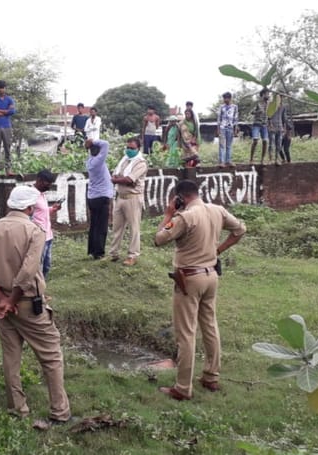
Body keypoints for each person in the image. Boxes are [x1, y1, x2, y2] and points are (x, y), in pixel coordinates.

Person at [0, 185, 71, 425]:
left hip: (4, 306)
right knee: (51, 356)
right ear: (29, 207)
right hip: (27, 304)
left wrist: (2, 299)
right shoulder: (34, 231)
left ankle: (18, 409)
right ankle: (59, 412)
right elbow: (28, 272)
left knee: (11, 357)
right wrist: (12, 300)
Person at [154, 179, 246, 400]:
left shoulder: (185, 217)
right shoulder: (217, 210)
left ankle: (182, 388)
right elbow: (240, 230)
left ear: (180, 197)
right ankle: (211, 376)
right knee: (210, 326)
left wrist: (168, 214)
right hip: (211, 276)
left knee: (186, 333)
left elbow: (159, 239)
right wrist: (217, 250)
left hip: (189, 279)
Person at [108, 137, 148, 266]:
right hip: (120, 197)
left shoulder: (141, 163)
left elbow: (129, 179)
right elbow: (117, 175)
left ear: (138, 149)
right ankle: (113, 254)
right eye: (128, 147)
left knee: (134, 228)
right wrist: (120, 179)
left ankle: (132, 255)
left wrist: (117, 180)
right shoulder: (124, 160)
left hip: (133, 198)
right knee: (117, 227)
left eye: (132, 148)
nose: (129, 150)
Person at [84, 138, 114, 260]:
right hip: (101, 197)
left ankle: (93, 250)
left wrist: (89, 145)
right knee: (101, 227)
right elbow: (106, 143)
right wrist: (93, 141)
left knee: (94, 225)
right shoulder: (98, 161)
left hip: (93, 197)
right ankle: (99, 253)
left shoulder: (90, 161)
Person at [31, 169, 62, 278]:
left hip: (48, 235)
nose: (49, 186)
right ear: (39, 180)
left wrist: (52, 209)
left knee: (46, 264)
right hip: (39, 236)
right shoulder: (31, 195)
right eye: (47, 183)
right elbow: (28, 215)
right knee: (38, 264)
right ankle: (37, 286)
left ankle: (42, 284)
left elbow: (41, 212)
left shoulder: (42, 194)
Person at [216, 92, 238, 168]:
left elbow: (235, 119)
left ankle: (228, 161)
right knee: (222, 145)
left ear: (230, 98)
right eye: (224, 98)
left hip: (230, 128)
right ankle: (221, 162)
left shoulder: (235, 107)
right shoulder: (221, 107)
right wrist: (218, 129)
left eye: (226, 98)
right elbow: (219, 119)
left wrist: (235, 129)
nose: (225, 100)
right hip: (222, 127)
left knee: (229, 145)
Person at [250, 88, 270, 164]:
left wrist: (270, 123)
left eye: (268, 94)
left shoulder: (269, 104)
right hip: (256, 124)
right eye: (267, 94)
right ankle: (251, 159)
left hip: (264, 125)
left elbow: (270, 114)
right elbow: (252, 112)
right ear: (262, 95)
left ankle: (262, 159)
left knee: (265, 141)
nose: (268, 95)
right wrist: (258, 111)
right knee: (255, 140)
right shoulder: (257, 103)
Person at [268, 94, 288, 166]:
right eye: (279, 97)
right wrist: (270, 125)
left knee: (278, 145)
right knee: (271, 144)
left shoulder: (283, 106)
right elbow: (269, 116)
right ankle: (270, 159)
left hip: (280, 127)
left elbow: (284, 117)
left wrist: (284, 128)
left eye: (282, 97)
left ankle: (277, 159)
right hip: (272, 127)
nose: (281, 98)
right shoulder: (271, 105)